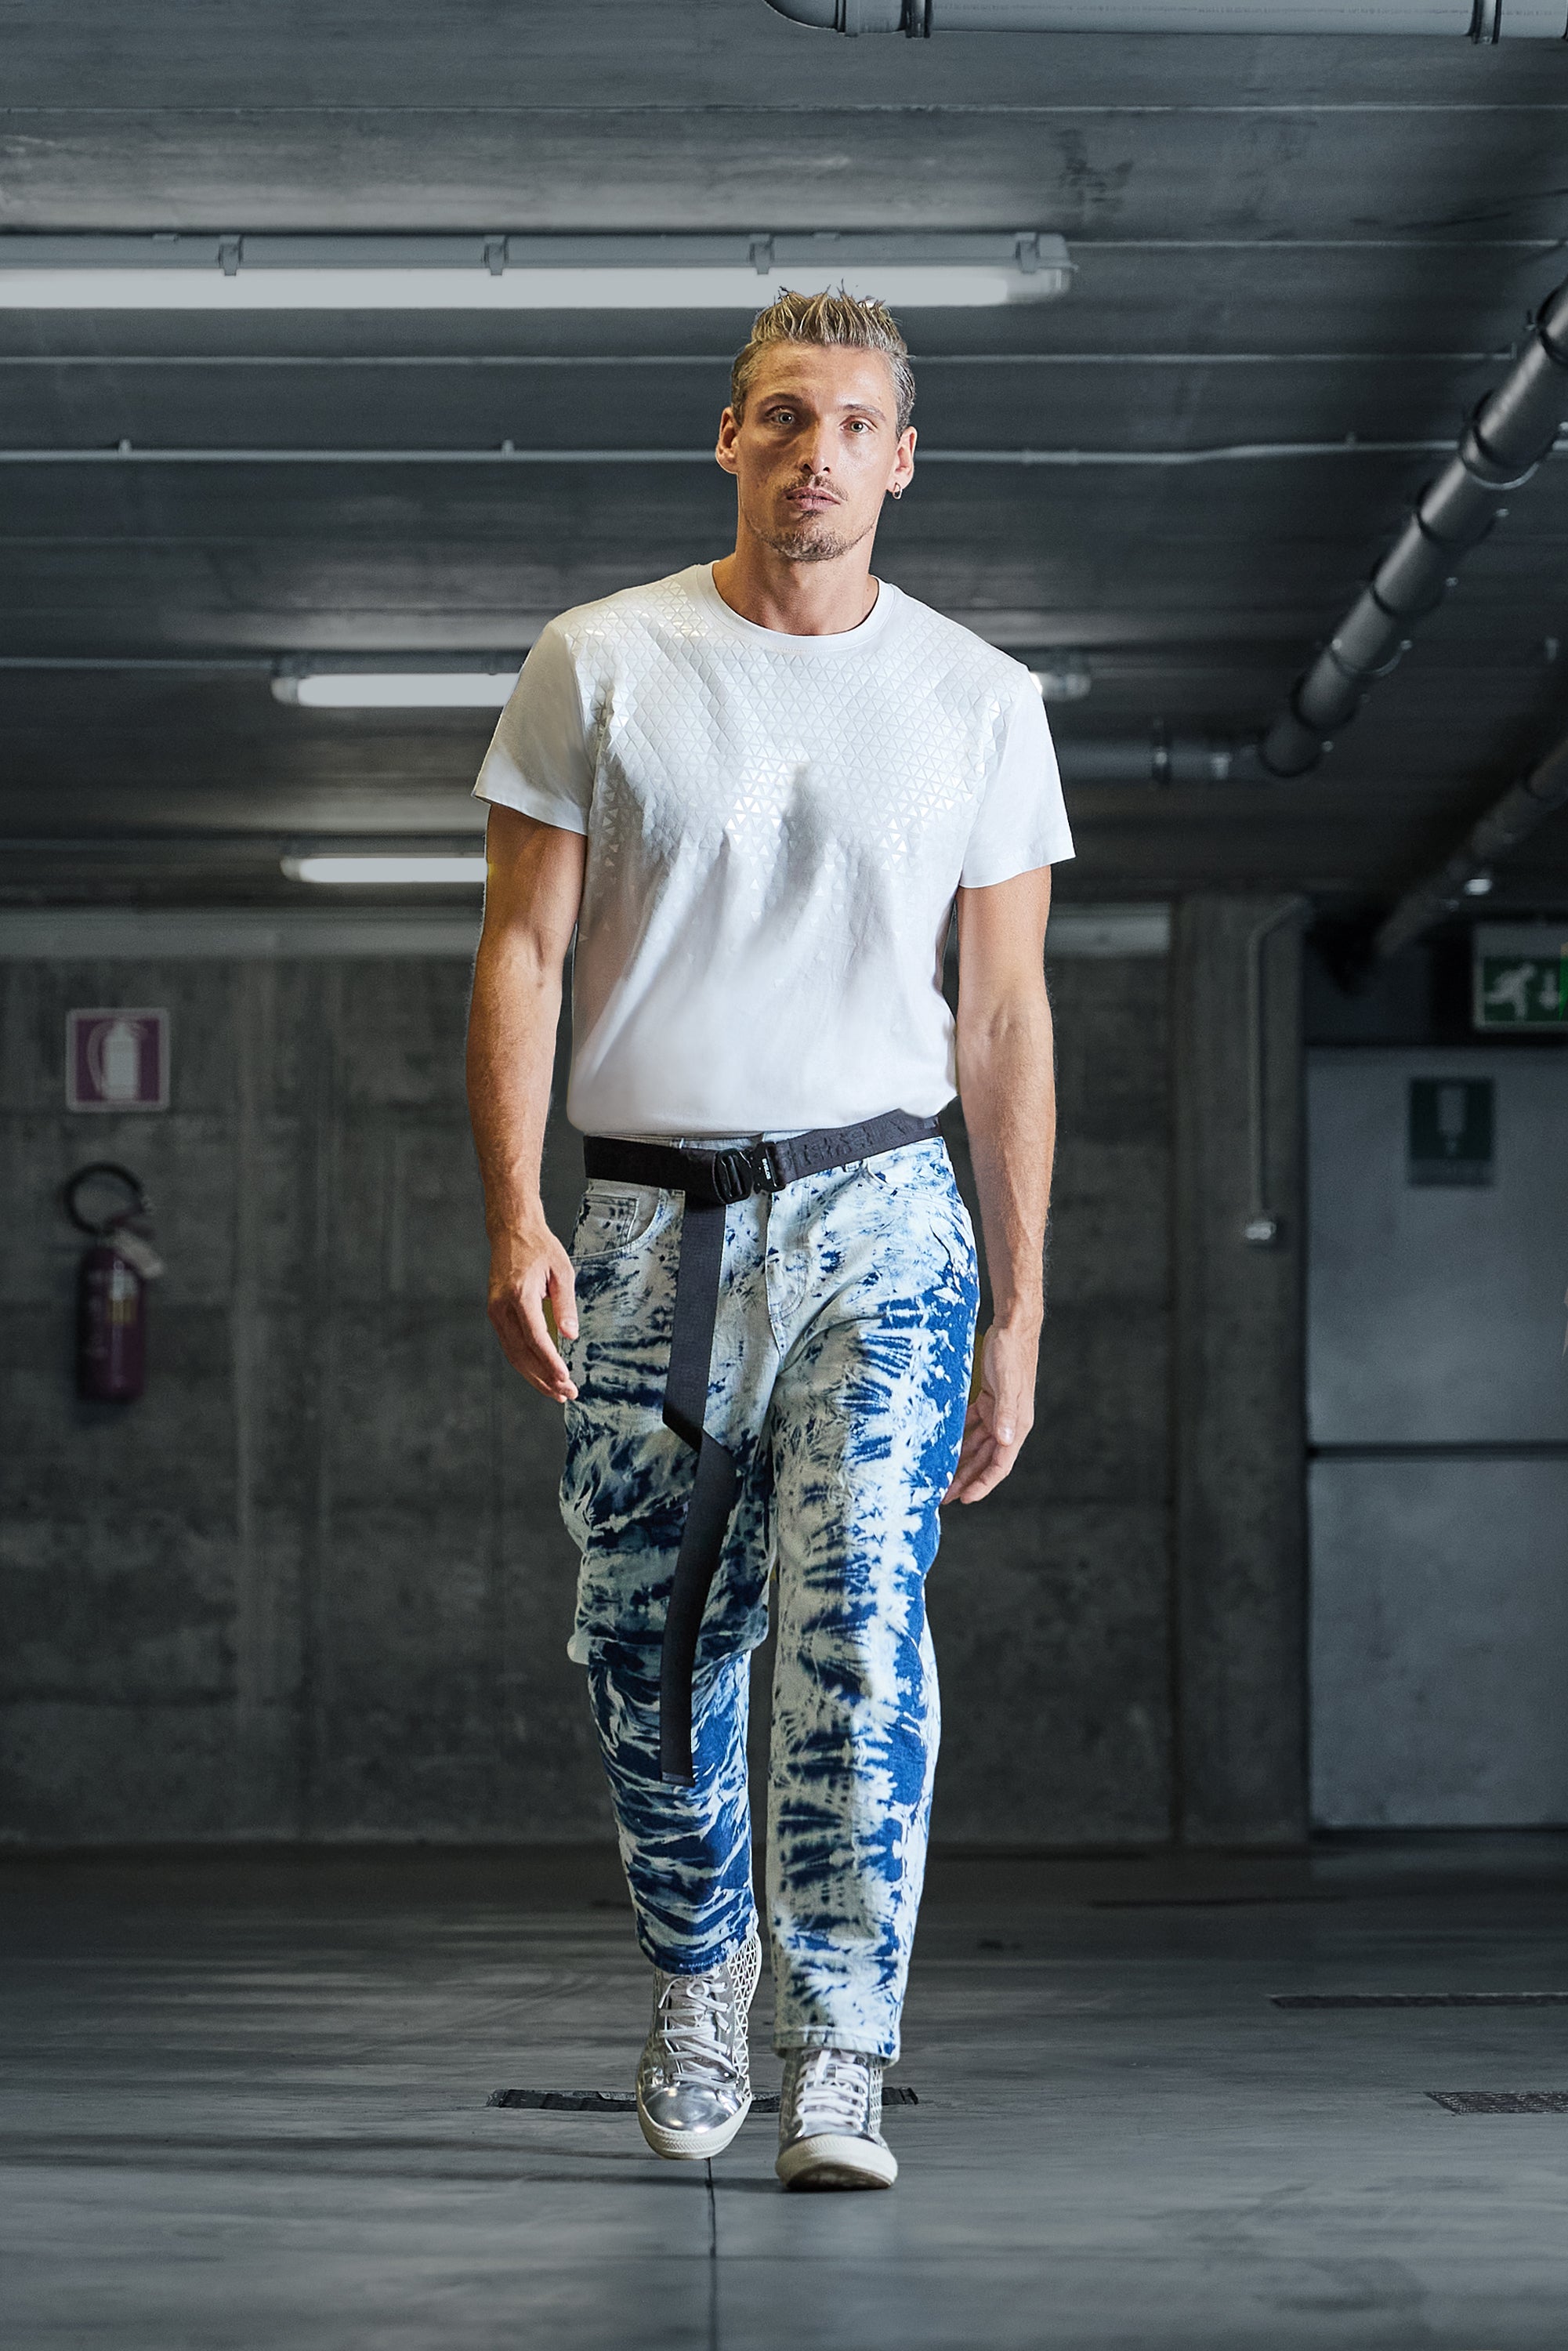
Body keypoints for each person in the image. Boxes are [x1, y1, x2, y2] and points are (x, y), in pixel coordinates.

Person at [465, 288, 1071, 2192]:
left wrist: (1018, 1310)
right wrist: (514, 1213)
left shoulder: (976, 698)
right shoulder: (600, 660)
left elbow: (1003, 1018)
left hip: (886, 1216)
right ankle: (700, 1969)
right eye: (785, 415)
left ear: (903, 460)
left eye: (855, 423)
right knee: (646, 1649)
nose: (819, 452)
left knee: (857, 1626)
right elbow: (522, 952)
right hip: (650, 1225)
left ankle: (841, 2053)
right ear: (727, 437)